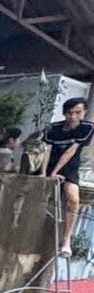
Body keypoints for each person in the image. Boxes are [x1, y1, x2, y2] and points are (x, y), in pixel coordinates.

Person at [46, 98, 91, 256]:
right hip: (49, 165)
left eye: (77, 113)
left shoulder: (87, 127)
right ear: (65, 113)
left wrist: (55, 172)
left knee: (73, 199)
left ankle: (66, 240)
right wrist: (46, 173)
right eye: (70, 113)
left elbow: (70, 151)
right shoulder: (54, 128)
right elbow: (47, 150)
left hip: (69, 168)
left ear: (84, 113)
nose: (73, 116)